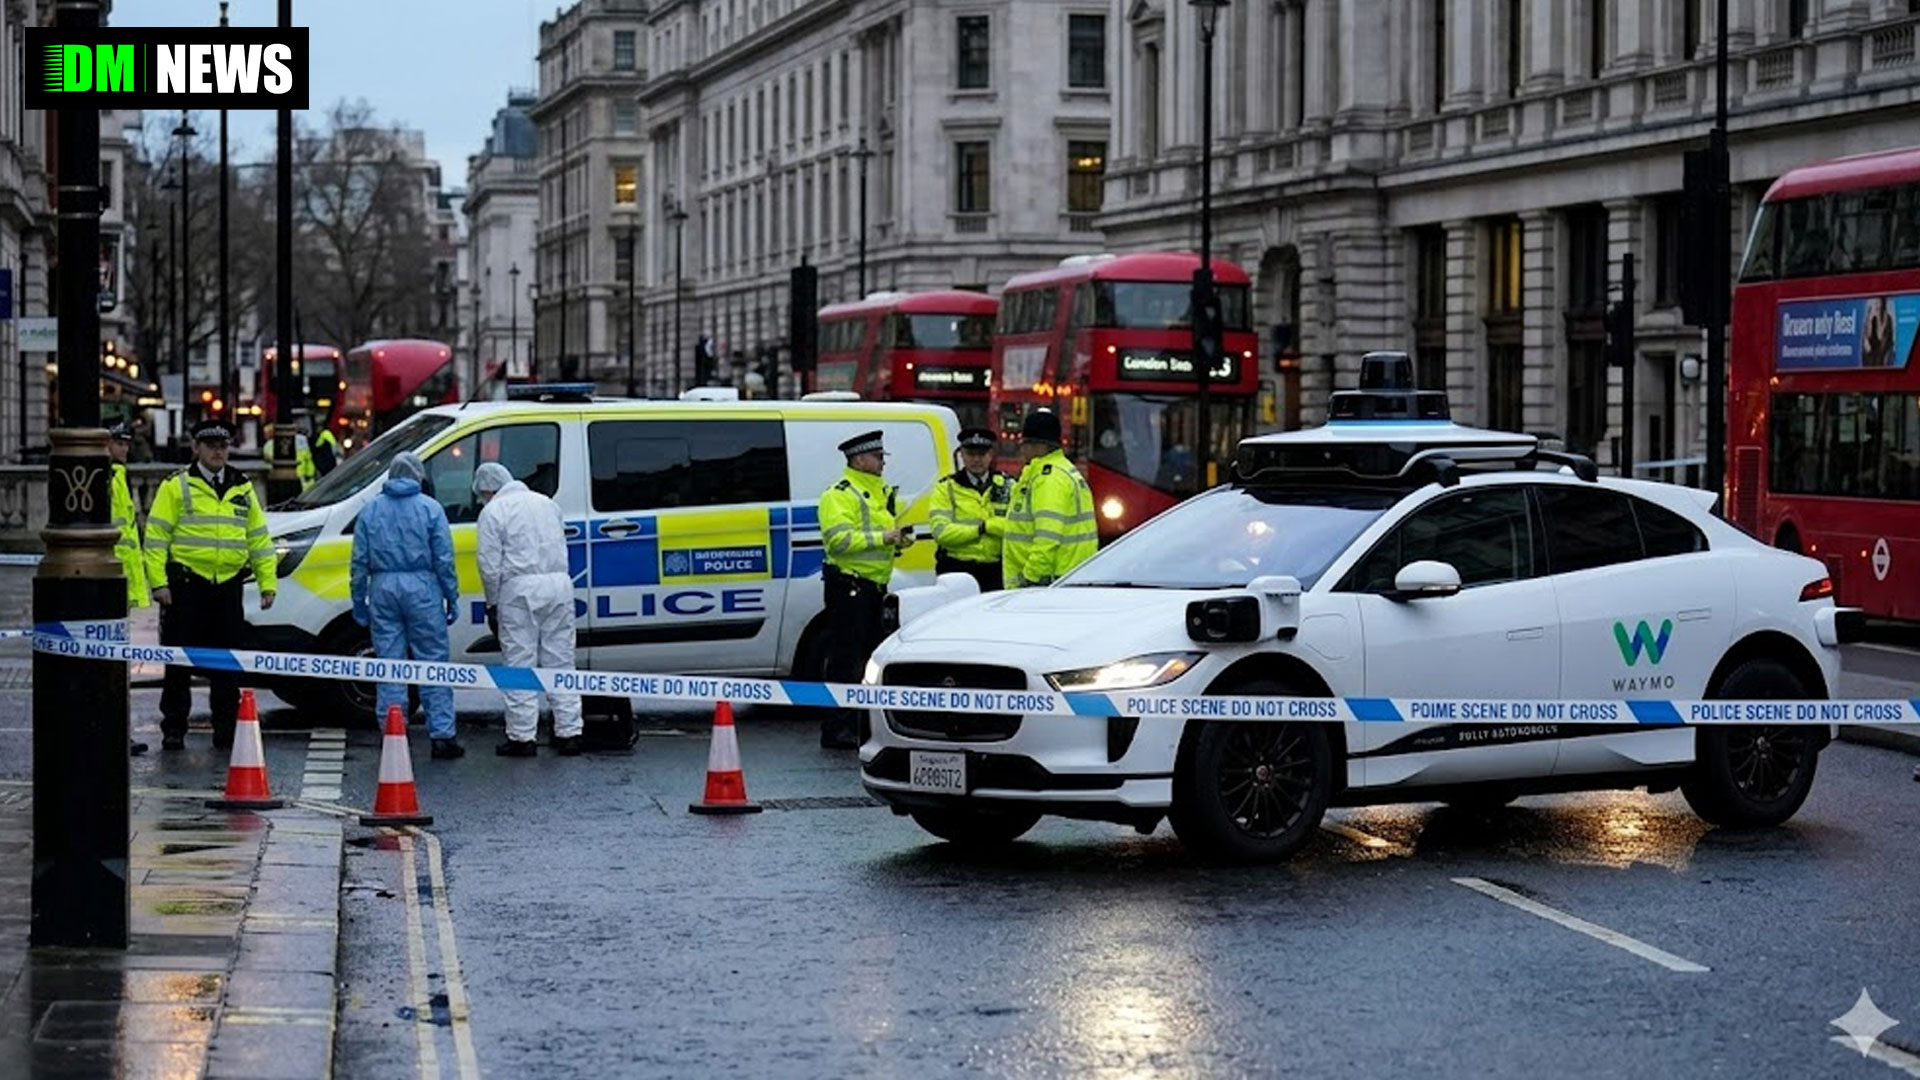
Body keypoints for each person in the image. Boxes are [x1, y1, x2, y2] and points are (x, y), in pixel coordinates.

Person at [143, 419, 277, 752]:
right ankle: (174, 728)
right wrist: (159, 583)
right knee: (178, 663)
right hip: (186, 586)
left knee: (226, 663)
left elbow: (259, 539)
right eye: (211, 445)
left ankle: (225, 728)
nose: (219, 451)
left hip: (227, 587)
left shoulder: (242, 486)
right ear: (196, 448)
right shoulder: (176, 485)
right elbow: (156, 537)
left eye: (223, 445)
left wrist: (267, 583)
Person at [350, 451, 463, 759]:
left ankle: (392, 731)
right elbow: (444, 559)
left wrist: (359, 600)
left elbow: (359, 562)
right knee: (433, 663)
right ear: (418, 475)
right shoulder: (431, 509)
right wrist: (451, 597)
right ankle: (442, 736)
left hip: (384, 588)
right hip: (423, 589)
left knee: (390, 663)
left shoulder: (371, 511)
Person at [473, 462, 584, 757]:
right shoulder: (547, 504)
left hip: (519, 590)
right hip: (559, 585)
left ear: (487, 490)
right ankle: (569, 732)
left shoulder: (493, 512)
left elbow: (488, 565)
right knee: (561, 660)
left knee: (519, 663)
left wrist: (492, 603)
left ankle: (523, 737)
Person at [817, 429, 911, 749]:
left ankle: (860, 724)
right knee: (844, 660)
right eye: (877, 457)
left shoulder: (880, 492)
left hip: (872, 587)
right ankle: (835, 727)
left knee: (869, 659)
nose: (882, 462)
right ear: (859, 459)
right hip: (849, 586)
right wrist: (884, 539)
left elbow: (875, 539)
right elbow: (840, 542)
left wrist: (898, 543)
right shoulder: (840, 494)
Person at [1003, 409, 1098, 589]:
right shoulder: (1062, 470)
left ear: (1036, 446)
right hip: (1063, 576)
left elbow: (1047, 537)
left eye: (1024, 443)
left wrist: (1030, 577)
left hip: (1047, 581)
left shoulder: (1048, 479)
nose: (1022, 449)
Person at [108, 421, 151, 755]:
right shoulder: (106, 478)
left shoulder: (119, 477)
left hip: (122, 583)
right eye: (119, 443)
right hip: (110, 584)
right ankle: (114, 730)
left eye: (126, 443)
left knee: (120, 665)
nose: (125, 448)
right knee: (112, 666)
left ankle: (121, 730)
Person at [927, 426, 1010, 592]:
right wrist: (981, 529)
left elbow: (1017, 527)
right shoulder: (946, 488)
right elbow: (941, 532)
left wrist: (991, 526)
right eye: (971, 454)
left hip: (995, 570)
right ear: (962, 455)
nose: (976, 460)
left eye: (982, 454)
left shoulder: (1008, 486)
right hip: (956, 569)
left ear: (991, 455)